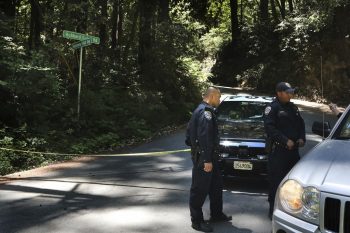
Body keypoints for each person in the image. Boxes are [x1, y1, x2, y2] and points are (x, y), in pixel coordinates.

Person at [186, 87, 231, 232]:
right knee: (199, 189)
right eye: (218, 97)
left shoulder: (200, 110)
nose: (219, 100)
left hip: (210, 157)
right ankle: (197, 221)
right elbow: (204, 137)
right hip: (205, 159)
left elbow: (188, 137)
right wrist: (206, 159)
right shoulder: (205, 112)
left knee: (216, 187)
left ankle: (216, 214)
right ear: (211, 96)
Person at [263, 82, 306, 220]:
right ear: (279, 93)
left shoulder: (293, 107)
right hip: (278, 152)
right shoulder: (272, 108)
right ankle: (273, 211)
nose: (291, 95)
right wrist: (284, 140)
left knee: (295, 182)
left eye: (291, 92)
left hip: (293, 152)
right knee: (276, 182)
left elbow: (301, 124)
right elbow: (270, 128)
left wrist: (301, 138)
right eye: (288, 92)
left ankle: (292, 211)